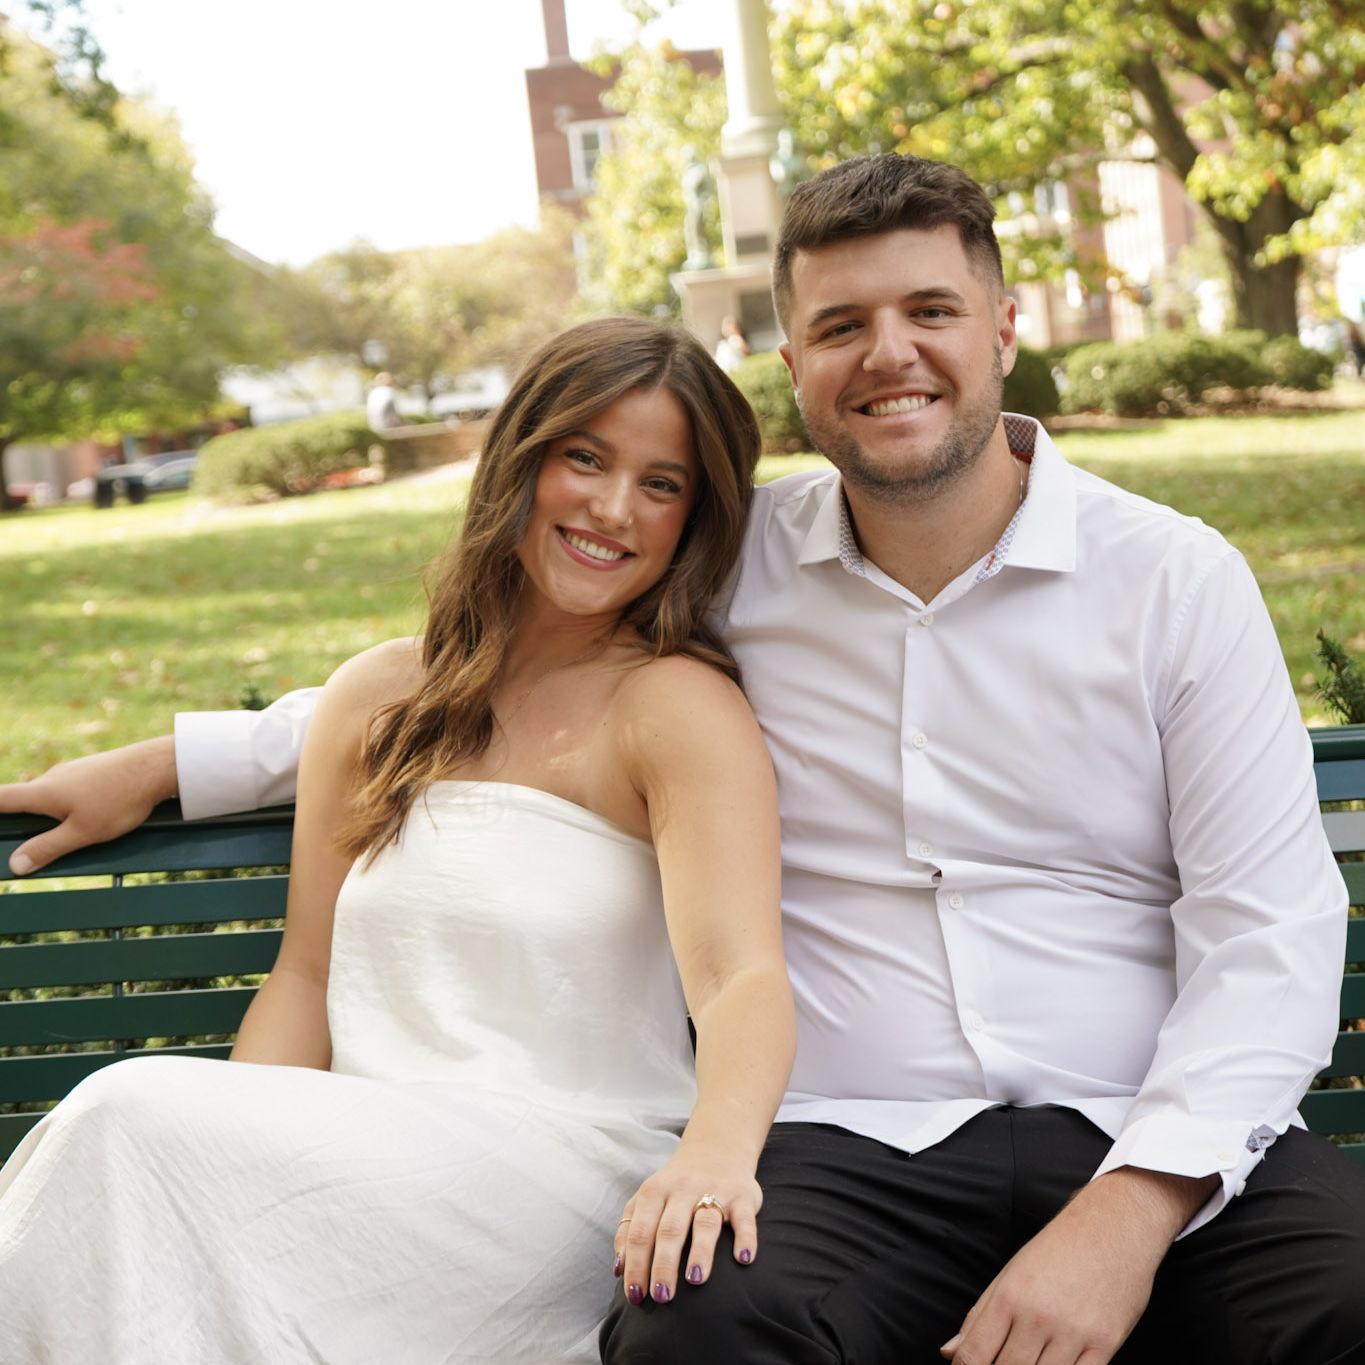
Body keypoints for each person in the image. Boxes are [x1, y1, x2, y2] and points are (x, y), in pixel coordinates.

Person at [4, 155, 1362, 1364]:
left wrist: (1133, 1210)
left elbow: (1270, 932)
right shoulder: (733, 556)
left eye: (929, 312)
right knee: (701, 1328)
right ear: (792, 364)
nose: (888, 353)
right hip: (855, 1146)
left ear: (1004, 327)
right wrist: (180, 760)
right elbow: (502, 677)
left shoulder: (1172, 583)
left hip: (1145, 1126)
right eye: (841, 325)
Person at [0, 317, 795, 1362]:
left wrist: (716, 1157)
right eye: (584, 458)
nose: (612, 508)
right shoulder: (377, 696)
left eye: (661, 484)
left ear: (694, 519)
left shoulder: (672, 708)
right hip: (358, 1162)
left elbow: (740, 976)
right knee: (142, 1168)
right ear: (520, 462)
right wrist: (237, 1144)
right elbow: (305, 974)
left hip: (554, 1177)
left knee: (122, 1112)